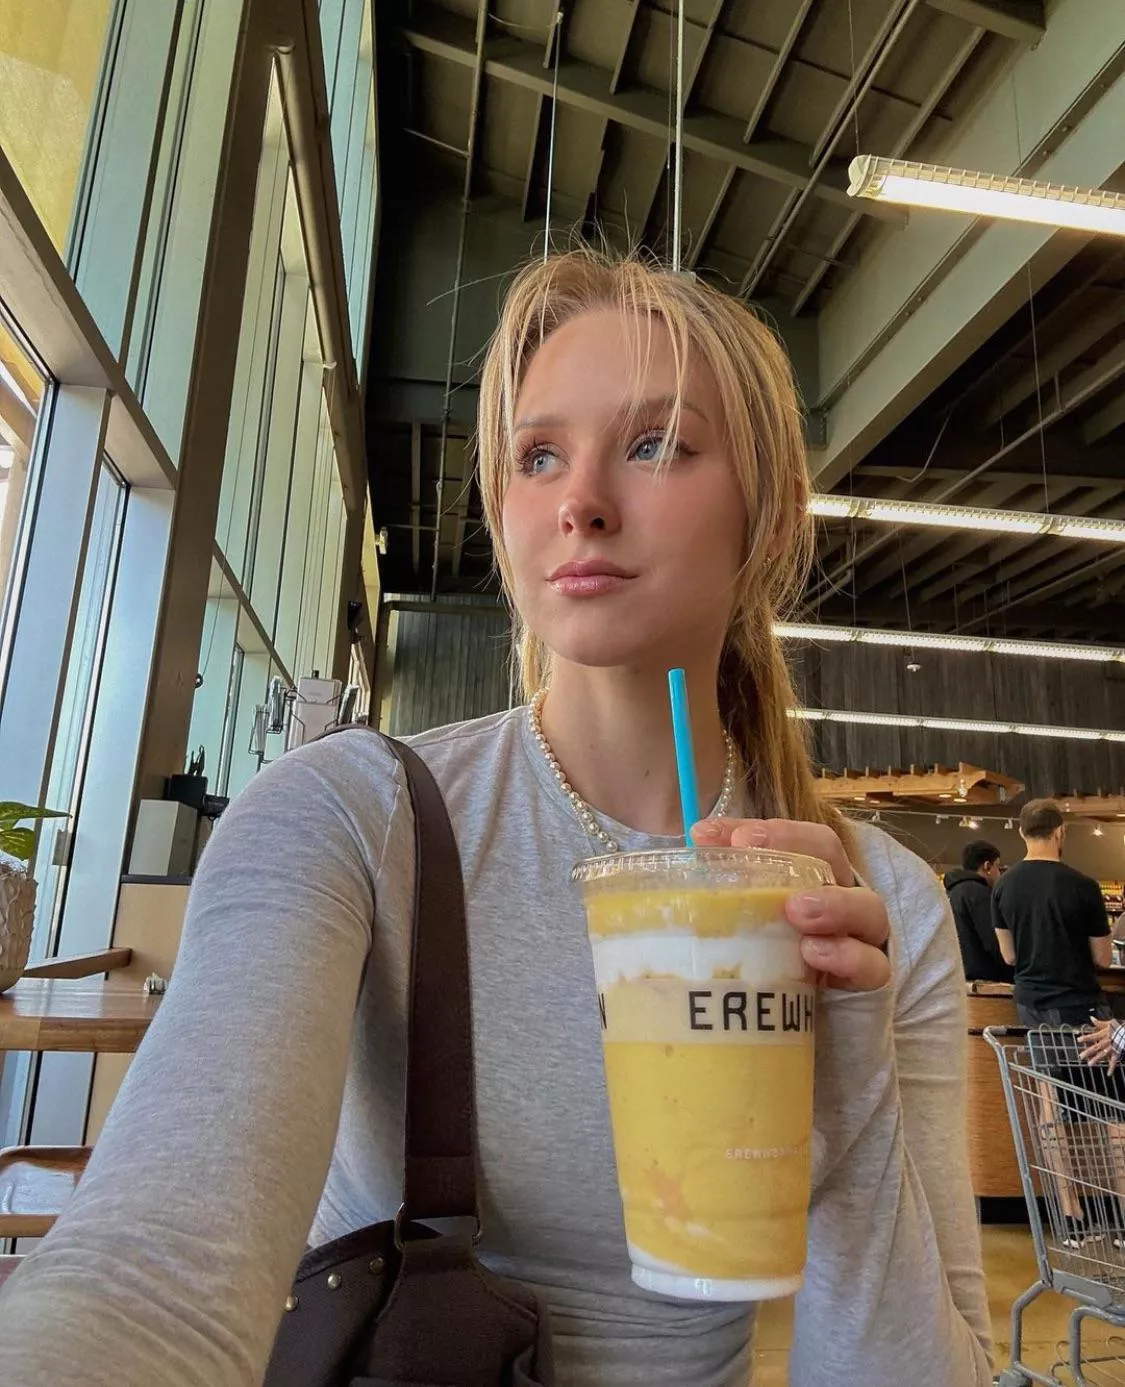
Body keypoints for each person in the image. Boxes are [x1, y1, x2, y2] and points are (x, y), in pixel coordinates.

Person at [0, 250, 992, 1386]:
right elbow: (152, 1267)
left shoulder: (880, 905)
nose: (581, 501)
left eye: (656, 443)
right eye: (538, 456)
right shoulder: (348, 820)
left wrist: (847, 1076)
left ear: (768, 518)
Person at [993, 799, 1112, 1028]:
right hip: (1078, 1003)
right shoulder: (1084, 886)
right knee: (1097, 1053)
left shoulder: (1002, 886)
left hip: (1029, 1003)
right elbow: (1103, 959)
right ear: (1059, 832)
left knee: (1039, 1053)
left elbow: (1009, 956)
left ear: (1021, 833)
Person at [944, 839, 1012, 983]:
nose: (999, 874)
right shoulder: (979, 894)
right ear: (987, 866)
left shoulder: (952, 892)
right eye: (998, 867)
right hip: (987, 981)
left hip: (960, 977)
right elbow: (995, 943)